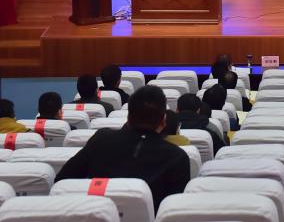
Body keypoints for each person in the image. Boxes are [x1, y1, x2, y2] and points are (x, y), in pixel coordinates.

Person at [57, 86, 191, 212]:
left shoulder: (101, 139)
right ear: (163, 122)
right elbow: (174, 210)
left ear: (128, 118)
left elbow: (62, 181)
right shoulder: (178, 157)